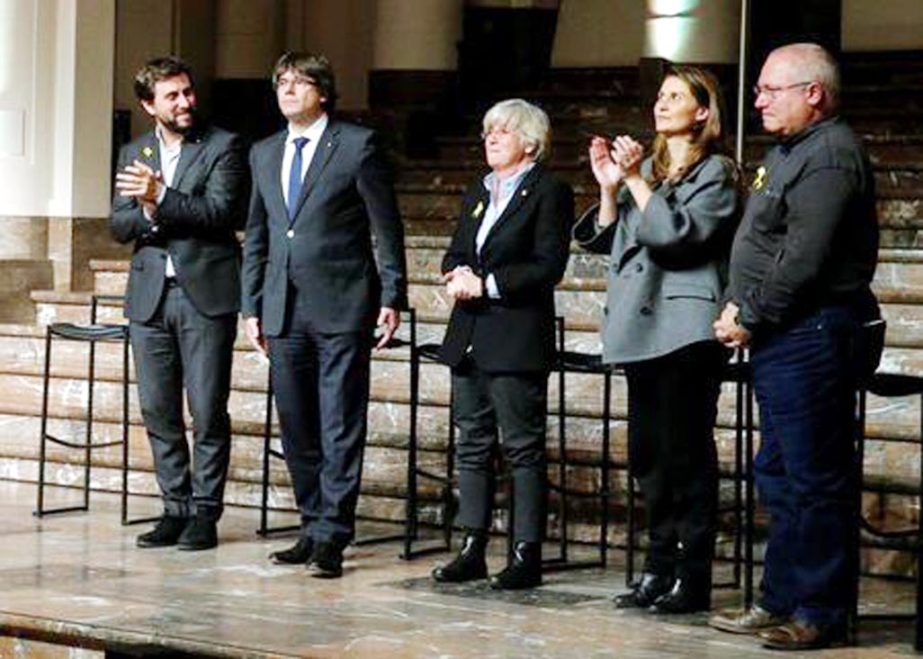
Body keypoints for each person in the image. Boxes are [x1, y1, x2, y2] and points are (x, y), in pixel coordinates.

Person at [710, 43, 880, 650]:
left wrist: (750, 312)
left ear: (814, 93)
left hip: (812, 332)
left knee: (814, 480)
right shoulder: (789, 153)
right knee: (778, 471)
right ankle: (779, 597)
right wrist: (737, 302)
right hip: (783, 334)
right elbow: (761, 241)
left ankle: (819, 609)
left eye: (769, 89)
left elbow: (804, 257)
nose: (757, 99)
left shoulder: (830, 155)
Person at [573, 66, 740, 613]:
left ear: (701, 111)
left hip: (685, 330)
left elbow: (674, 237)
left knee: (684, 453)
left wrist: (637, 184)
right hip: (639, 327)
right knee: (648, 456)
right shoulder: (644, 169)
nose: (662, 104)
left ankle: (692, 576)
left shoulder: (717, 172)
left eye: (676, 97)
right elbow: (609, 240)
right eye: (661, 95)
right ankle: (657, 567)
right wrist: (608, 188)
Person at [241, 52, 407, 578]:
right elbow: (260, 235)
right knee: (296, 425)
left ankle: (334, 531)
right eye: (281, 82)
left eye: (300, 82)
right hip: (281, 307)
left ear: (324, 92)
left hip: (342, 302)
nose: (288, 90)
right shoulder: (264, 152)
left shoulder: (356, 146)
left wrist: (393, 294)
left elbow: (387, 226)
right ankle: (311, 522)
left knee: (339, 422)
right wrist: (251, 305)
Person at [430, 99, 574, 590]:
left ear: (530, 142)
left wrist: (486, 283)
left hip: (513, 335)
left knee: (521, 448)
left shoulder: (548, 190)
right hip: (469, 334)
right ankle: (471, 545)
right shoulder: (479, 188)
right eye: (488, 130)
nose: (490, 138)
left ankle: (524, 551)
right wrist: (456, 271)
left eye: (503, 132)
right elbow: (455, 249)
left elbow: (548, 264)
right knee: (470, 444)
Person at [110, 56, 249, 551]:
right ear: (150, 105)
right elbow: (118, 224)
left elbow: (220, 212)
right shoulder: (136, 150)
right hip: (149, 297)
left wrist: (161, 197)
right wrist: (151, 211)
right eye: (172, 95)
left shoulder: (223, 146)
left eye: (187, 92)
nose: (185, 102)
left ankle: (205, 514)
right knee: (157, 409)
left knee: (207, 409)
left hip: (204, 296)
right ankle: (175, 505)